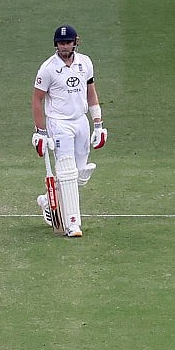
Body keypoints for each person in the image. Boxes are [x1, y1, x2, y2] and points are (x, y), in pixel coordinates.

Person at [32, 24, 107, 238]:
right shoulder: (48, 68)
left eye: (68, 42)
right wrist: (40, 132)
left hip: (80, 122)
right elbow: (37, 99)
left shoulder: (85, 63)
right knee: (67, 172)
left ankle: (48, 200)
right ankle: (72, 223)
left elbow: (91, 93)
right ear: (56, 44)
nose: (64, 46)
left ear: (76, 42)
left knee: (80, 174)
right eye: (60, 43)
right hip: (59, 123)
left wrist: (98, 124)